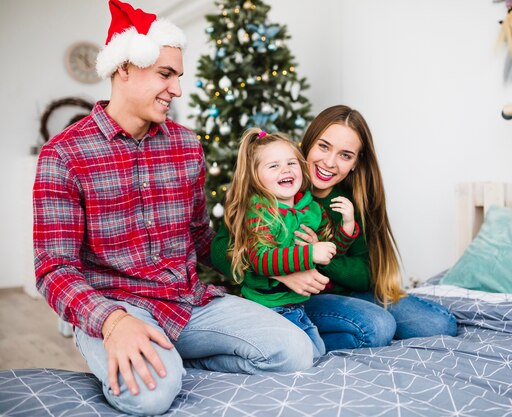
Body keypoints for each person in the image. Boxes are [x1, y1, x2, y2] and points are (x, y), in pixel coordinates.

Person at [32, 1, 313, 415]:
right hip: (118, 307)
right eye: (165, 74)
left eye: (178, 76)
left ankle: (179, 363)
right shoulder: (64, 155)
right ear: (124, 68)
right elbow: (53, 268)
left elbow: (200, 236)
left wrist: (268, 262)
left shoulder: (186, 145)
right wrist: (111, 323)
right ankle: (152, 362)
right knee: (149, 396)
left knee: (296, 351)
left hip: (189, 301)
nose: (177, 90)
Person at [211, 105, 457, 351]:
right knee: (378, 326)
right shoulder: (272, 190)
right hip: (290, 297)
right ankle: (302, 342)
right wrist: (282, 272)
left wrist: (319, 254)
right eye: (324, 146)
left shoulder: (351, 200)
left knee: (437, 325)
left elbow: (366, 273)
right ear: (306, 145)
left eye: (345, 155)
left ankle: (329, 331)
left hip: (345, 295)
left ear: (355, 163)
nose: (329, 162)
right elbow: (221, 249)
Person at [223, 128, 360, 358]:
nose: (285, 169)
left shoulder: (312, 209)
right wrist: (309, 254)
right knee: (310, 356)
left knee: (318, 352)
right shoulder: (260, 212)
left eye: (291, 163)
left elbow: (328, 251)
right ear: (256, 176)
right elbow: (259, 260)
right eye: (273, 166)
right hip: (267, 308)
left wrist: (347, 226)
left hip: (296, 306)